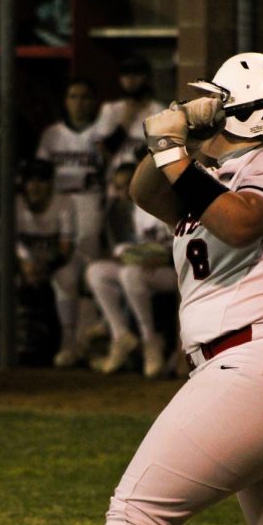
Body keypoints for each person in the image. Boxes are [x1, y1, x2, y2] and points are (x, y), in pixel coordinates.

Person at [101, 52, 263, 525]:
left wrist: (173, 150)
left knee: (136, 514)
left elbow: (241, 224)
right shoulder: (213, 179)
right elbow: (145, 192)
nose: (205, 104)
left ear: (246, 112)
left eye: (217, 99)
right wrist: (180, 143)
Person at [35, 77, 106, 366]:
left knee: (88, 269)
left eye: (85, 96)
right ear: (66, 101)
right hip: (60, 203)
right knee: (63, 273)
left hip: (90, 200)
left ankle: (84, 342)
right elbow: (40, 172)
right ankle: (69, 341)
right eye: (73, 96)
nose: (79, 102)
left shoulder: (102, 132)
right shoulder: (53, 134)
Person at [86, 162, 177, 379]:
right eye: (119, 187)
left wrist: (164, 256)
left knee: (131, 274)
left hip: (179, 272)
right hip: (150, 269)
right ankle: (120, 335)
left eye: (128, 185)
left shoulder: (170, 199)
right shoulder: (135, 210)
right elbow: (139, 246)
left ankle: (149, 340)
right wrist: (133, 253)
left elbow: (187, 243)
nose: (123, 192)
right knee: (97, 272)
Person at [14, 158, 78, 366]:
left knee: (67, 279)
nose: (35, 186)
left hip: (55, 263)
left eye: (42, 180)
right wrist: (26, 264)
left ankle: (68, 342)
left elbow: (65, 250)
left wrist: (43, 268)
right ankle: (13, 340)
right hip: (25, 265)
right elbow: (9, 243)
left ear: (51, 183)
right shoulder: (16, 203)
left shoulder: (65, 203)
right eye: (31, 180)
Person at [94, 53, 165, 192]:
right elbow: (103, 152)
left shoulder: (159, 111)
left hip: (145, 185)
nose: (130, 80)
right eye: (126, 75)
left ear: (147, 78)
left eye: (136, 74)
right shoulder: (110, 110)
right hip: (115, 186)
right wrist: (126, 119)